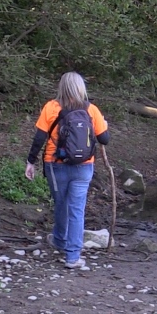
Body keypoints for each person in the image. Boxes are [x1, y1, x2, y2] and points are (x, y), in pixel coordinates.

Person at [24, 72, 110, 269]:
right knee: (77, 210)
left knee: (61, 203)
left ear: (61, 87)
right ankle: (72, 256)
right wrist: (104, 124)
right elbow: (104, 139)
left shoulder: (51, 107)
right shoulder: (91, 110)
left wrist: (31, 162)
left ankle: (60, 240)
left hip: (55, 165)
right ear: (81, 88)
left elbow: (39, 138)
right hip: (84, 166)